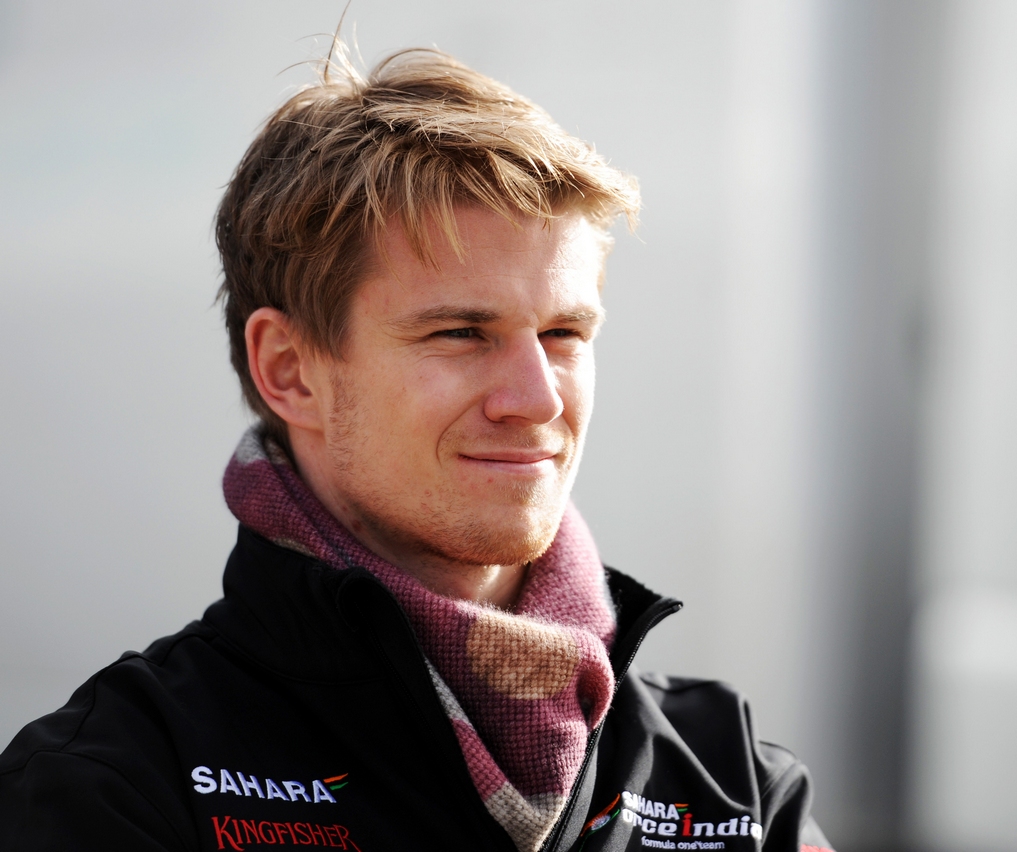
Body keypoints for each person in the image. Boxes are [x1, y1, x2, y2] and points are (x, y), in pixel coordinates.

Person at [0, 44, 832, 852]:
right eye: (462, 332)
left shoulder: (734, 781)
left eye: (564, 332)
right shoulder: (120, 782)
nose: (538, 397)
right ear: (290, 371)